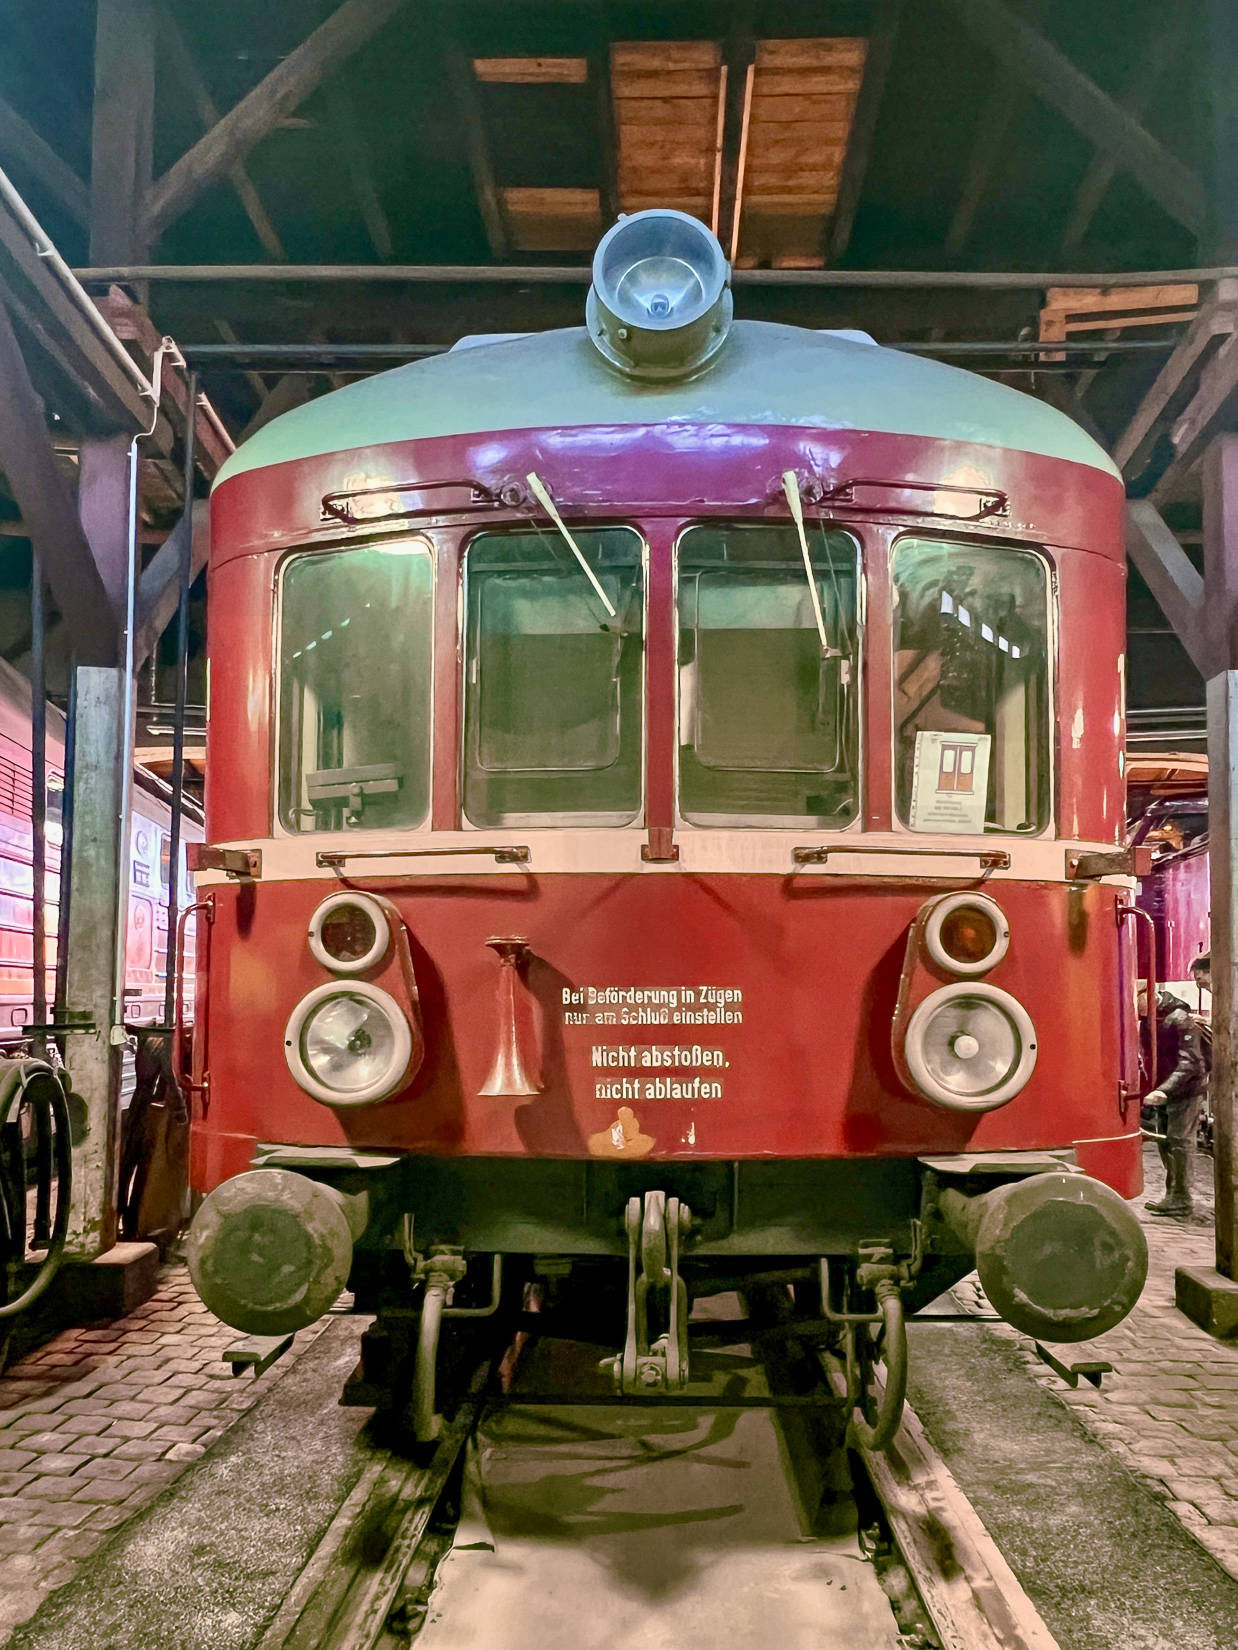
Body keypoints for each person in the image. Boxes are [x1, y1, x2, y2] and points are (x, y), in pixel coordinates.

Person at [1143, 986, 1208, 1217]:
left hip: (1186, 1090)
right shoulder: (1151, 1019)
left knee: (1179, 1142)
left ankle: (1181, 1198)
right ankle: (1174, 1195)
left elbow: (1190, 1062)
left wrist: (1164, 1090)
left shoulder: (1180, 1019)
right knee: (1168, 1143)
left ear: (1149, 995)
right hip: (1167, 1090)